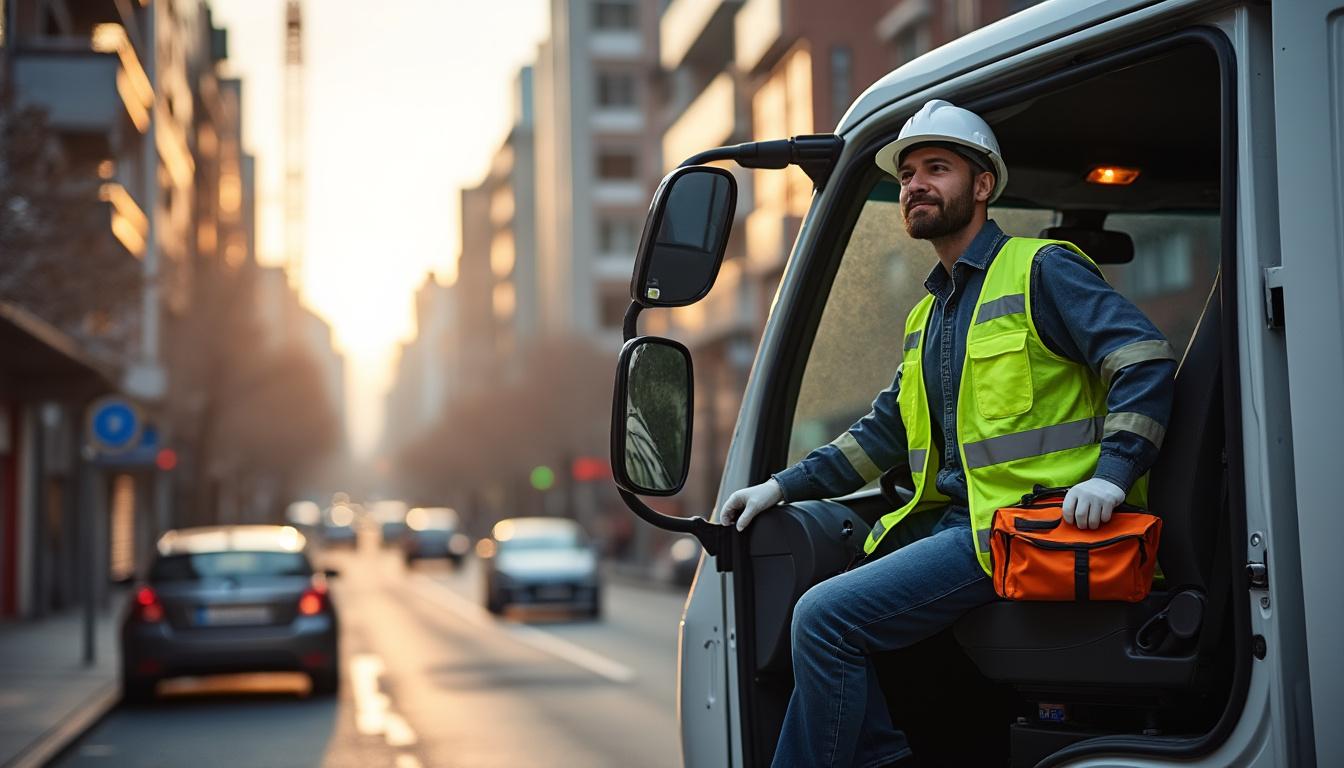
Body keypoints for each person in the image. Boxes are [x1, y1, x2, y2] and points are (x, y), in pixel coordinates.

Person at [718, 99, 1177, 767]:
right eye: (906, 176)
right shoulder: (927, 317)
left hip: (1024, 530)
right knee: (831, 628)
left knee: (823, 619)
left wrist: (1113, 473)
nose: (915, 186)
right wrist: (780, 487)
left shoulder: (1041, 269)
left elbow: (1142, 358)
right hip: (958, 529)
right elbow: (881, 435)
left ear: (982, 185)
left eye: (937, 168)